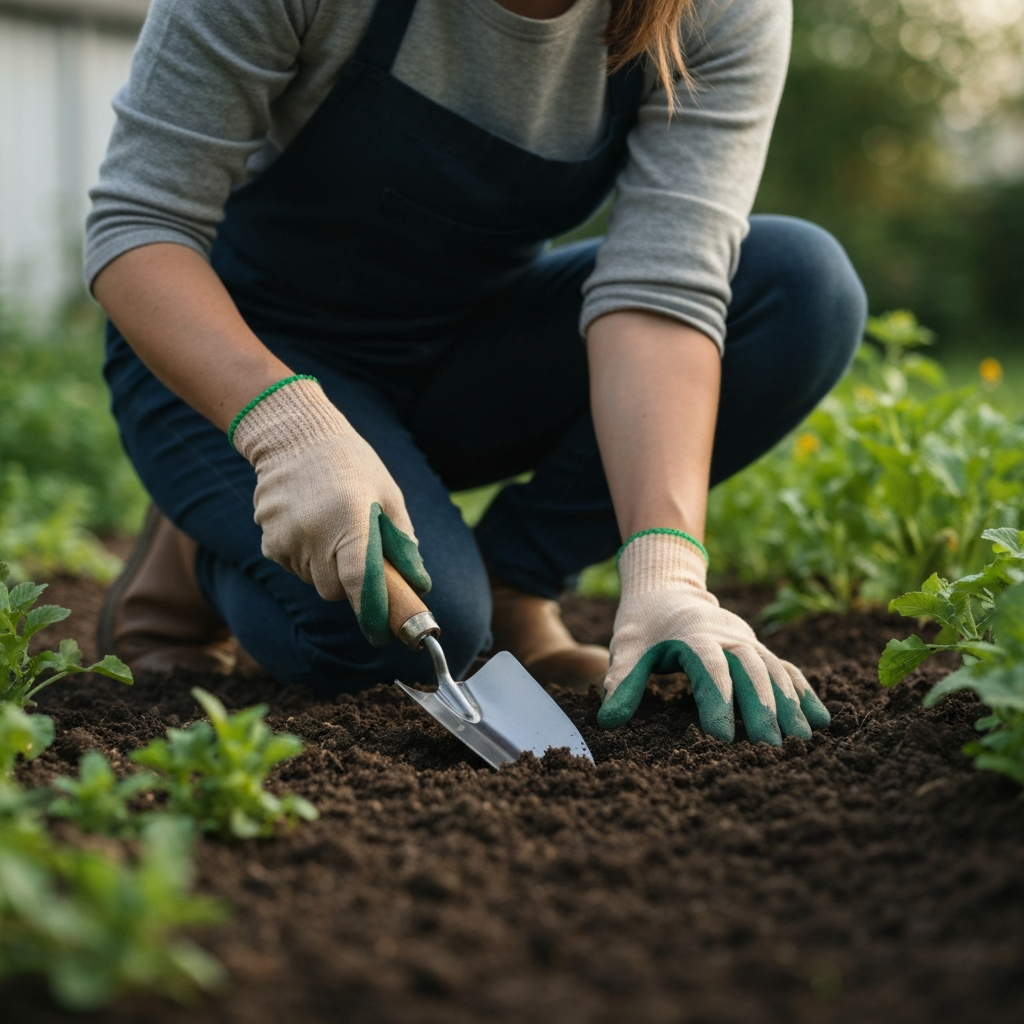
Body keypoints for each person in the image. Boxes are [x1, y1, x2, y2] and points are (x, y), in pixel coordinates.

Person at [88, 0, 866, 745]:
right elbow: (141, 220)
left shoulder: (711, 8)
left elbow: (661, 291)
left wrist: (668, 571)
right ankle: (199, 545)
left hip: (465, 349)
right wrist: (285, 432)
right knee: (400, 644)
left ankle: (512, 580)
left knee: (797, 289)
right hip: (233, 355)